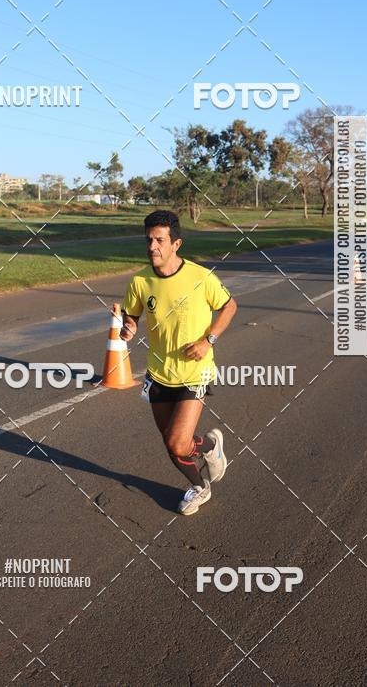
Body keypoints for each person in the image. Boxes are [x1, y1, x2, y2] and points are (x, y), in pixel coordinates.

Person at [121, 209, 237, 515]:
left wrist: (208, 340)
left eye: (160, 240)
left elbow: (229, 306)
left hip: (194, 373)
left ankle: (203, 479)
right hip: (159, 374)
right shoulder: (140, 281)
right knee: (173, 442)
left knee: (176, 442)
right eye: (149, 240)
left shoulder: (201, 277)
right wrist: (128, 328)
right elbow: (131, 315)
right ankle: (204, 470)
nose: (152, 247)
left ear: (176, 244)